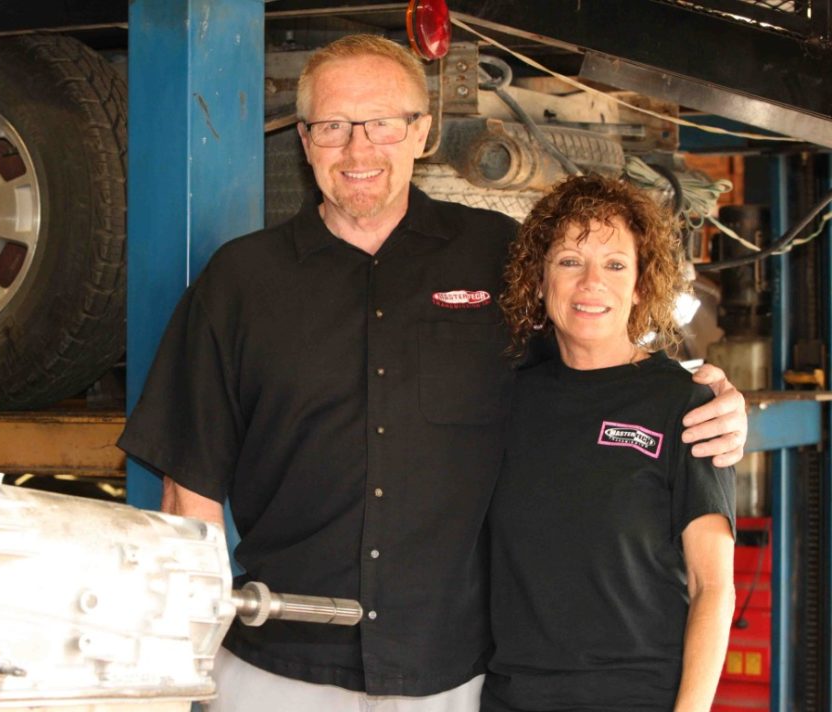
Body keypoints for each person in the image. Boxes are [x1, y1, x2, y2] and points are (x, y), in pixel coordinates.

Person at [119, 35, 746, 712]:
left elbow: (592, 355)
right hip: (276, 673)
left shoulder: (493, 256)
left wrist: (703, 400)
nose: (359, 150)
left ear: (421, 132)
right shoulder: (241, 282)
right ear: (304, 140)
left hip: (450, 681)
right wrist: (187, 654)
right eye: (333, 126)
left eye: (384, 123)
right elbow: (190, 493)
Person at [484, 174, 736, 712]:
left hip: (636, 697)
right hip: (513, 697)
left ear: (642, 284)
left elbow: (712, 585)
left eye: (615, 265)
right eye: (570, 261)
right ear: (541, 276)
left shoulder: (685, 406)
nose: (591, 282)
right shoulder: (508, 399)